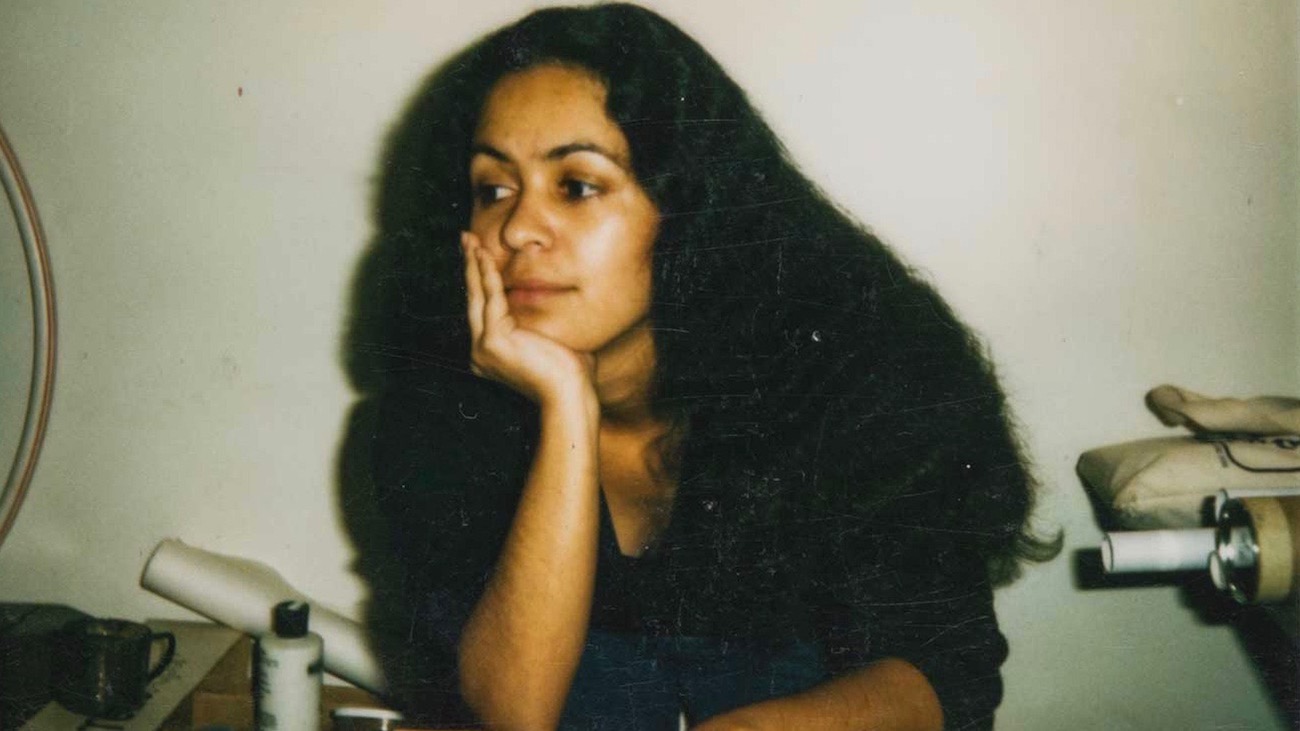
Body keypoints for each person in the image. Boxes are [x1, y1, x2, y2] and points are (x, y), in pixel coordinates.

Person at [344, 4, 1057, 729]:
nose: (518, 228)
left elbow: (944, 674)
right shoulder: (435, 411)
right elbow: (513, 713)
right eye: (494, 189)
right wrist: (566, 406)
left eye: (577, 185)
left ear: (688, 204)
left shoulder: (860, 372)